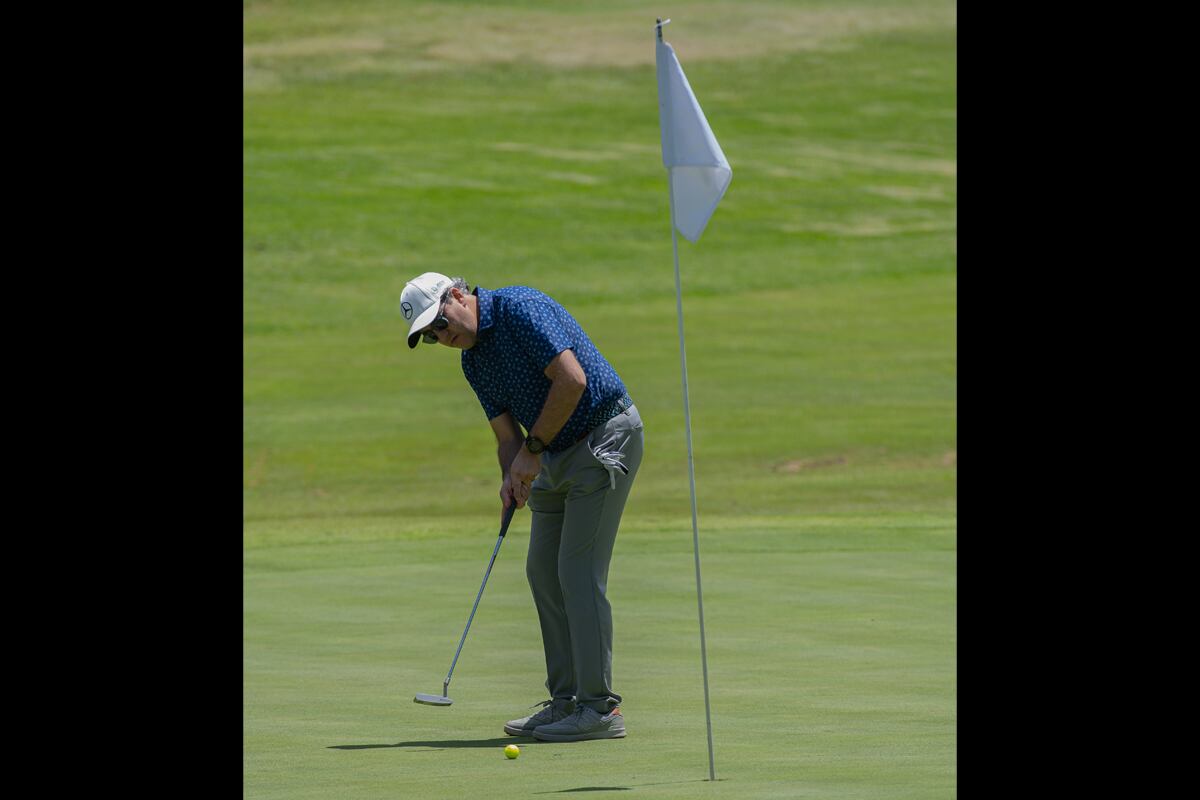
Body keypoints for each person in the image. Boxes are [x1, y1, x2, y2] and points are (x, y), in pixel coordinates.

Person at [401, 271, 643, 742]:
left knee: (577, 572)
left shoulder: (519, 307)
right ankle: (565, 700)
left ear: (456, 295)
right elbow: (507, 437)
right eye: (430, 336)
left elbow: (572, 381)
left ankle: (600, 710)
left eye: (440, 322)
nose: (442, 336)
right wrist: (510, 477)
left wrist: (531, 452)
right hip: (550, 452)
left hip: (604, 437)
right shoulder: (473, 363)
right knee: (542, 572)